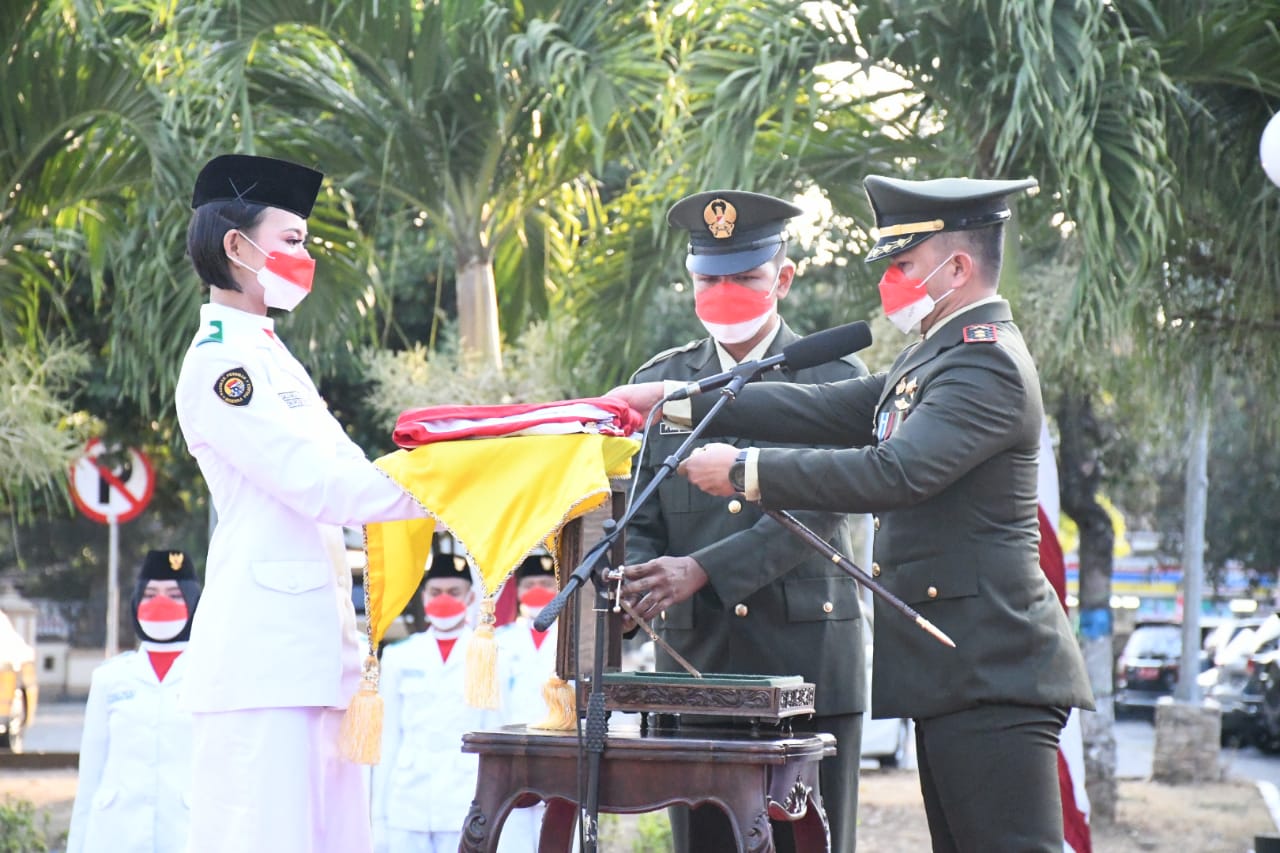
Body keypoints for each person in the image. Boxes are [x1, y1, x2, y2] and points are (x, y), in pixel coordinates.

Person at [613, 175, 1096, 853]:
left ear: (957, 267)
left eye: (903, 264)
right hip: (957, 673)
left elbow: (895, 472)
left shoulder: (984, 364)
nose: (890, 282)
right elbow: (819, 409)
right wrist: (676, 397)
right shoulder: (934, 357)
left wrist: (744, 470)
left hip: (994, 669)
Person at [174, 153, 428, 853]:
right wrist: (453, 489)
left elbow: (349, 467)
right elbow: (321, 483)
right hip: (263, 667)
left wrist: (444, 475)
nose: (305, 257)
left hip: (314, 659)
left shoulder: (272, 355)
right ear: (236, 245)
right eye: (292, 241)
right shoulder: (222, 363)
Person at [618, 190, 869, 853]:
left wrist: (701, 569)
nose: (726, 292)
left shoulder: (834, 378)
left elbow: (820, 503)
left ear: (783, 277)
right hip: (694, 667)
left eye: (745, 276)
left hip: (806, 664)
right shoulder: (662, 382)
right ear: (691, 281)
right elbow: (636, 512)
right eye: (711, 278)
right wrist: (633, 587)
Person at [67, 549, 203, 853]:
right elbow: (90, 775)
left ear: (194, 602)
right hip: (115, 833)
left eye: (174, 594)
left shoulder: (211, 674)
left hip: (186, 831)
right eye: (151, 593)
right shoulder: (110, 678)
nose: (161, 603)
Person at [372, 548, 500, 853]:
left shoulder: (489, 652)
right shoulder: (399, 655)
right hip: (407, 797)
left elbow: (493, 731)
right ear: (424, 596)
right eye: (436, 591)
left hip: (465, 797)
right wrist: (377, 814)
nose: (444, 599)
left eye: (454, 592)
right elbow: (387, 737)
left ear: (470, 597)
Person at [493, 551, 560, 852]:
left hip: (561, 755)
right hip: (511, 755)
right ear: (518, 591)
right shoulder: (498, 641)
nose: (537, 590)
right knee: (513, 839)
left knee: (561, 838)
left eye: (546, 583)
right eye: (530, 583)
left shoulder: (573, 639)